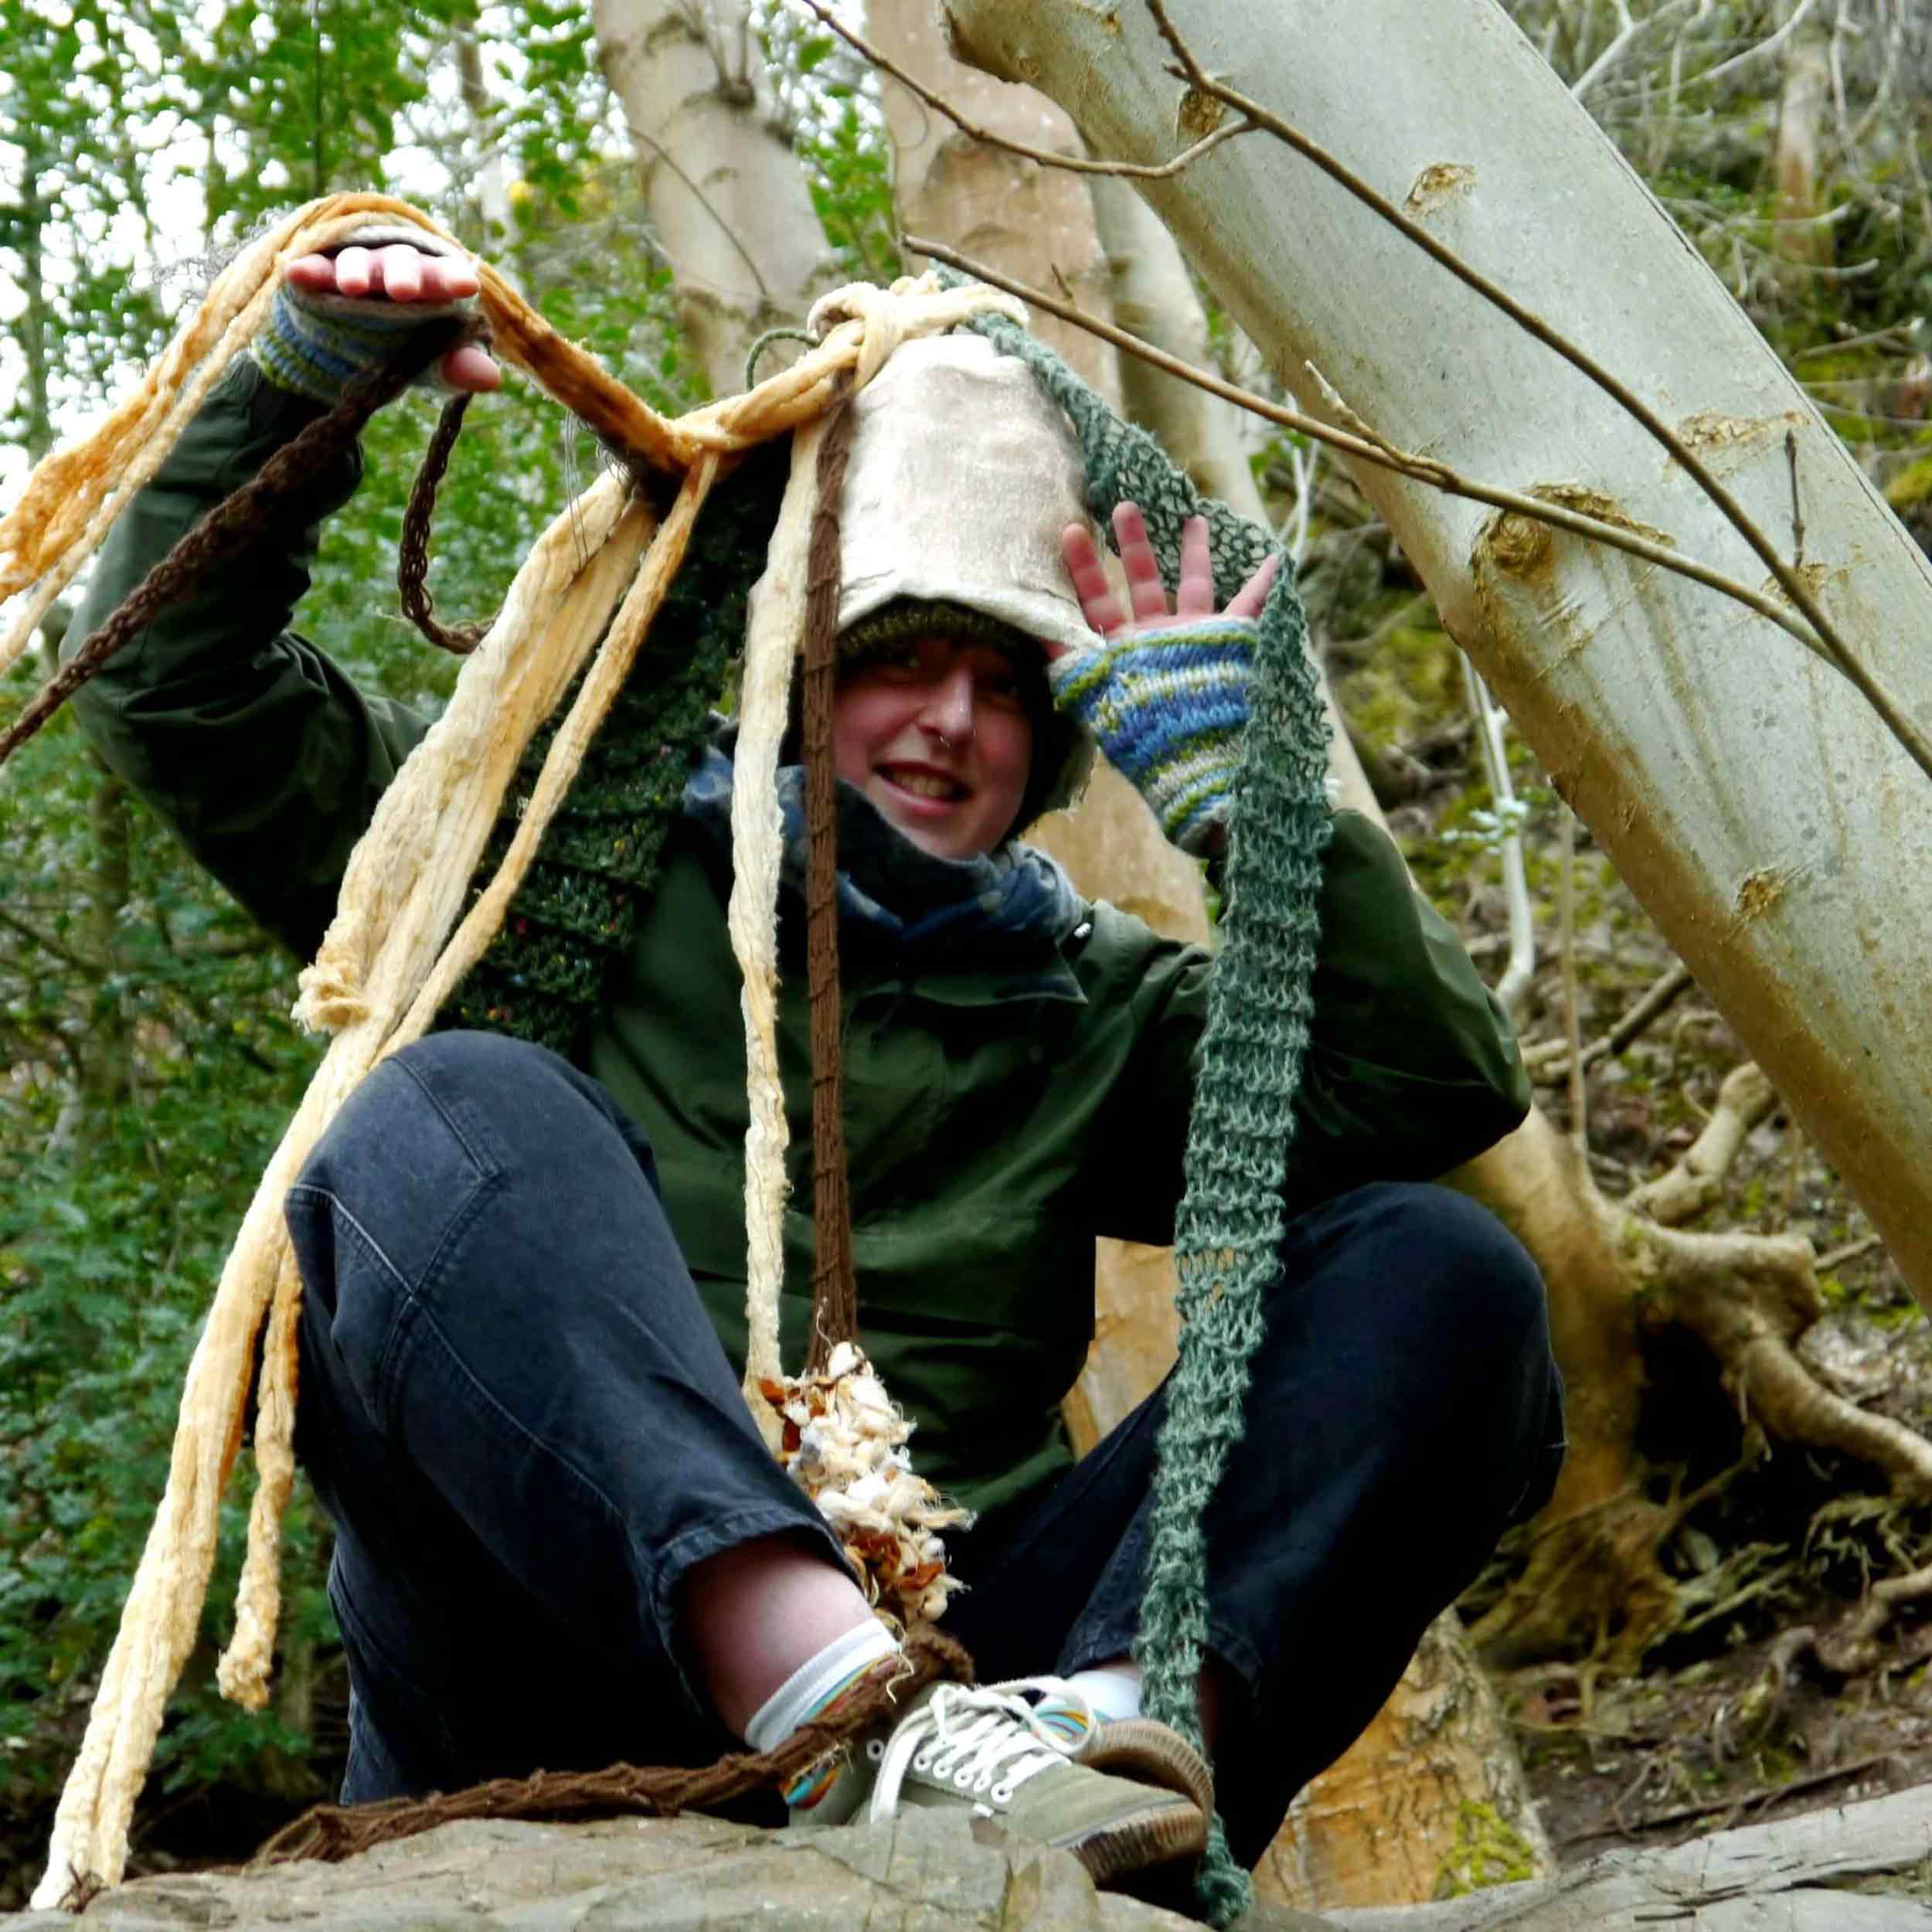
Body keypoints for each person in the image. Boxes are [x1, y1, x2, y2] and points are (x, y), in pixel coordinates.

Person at [62, 233, 1564, 1895]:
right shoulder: (547, 865)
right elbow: (168, 684)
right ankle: (828, 1696)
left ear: (1060, 741)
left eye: (1007, 685)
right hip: (539, 1648)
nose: (951, 720)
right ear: (795, 672)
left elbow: (1430, 1095)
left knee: (1446, 1272)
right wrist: (305, 385)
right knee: (441, 1105)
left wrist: (1261, 820)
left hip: (976, 1691)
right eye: (898, 658)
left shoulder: (1091, 1003)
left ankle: (1119, 1755)